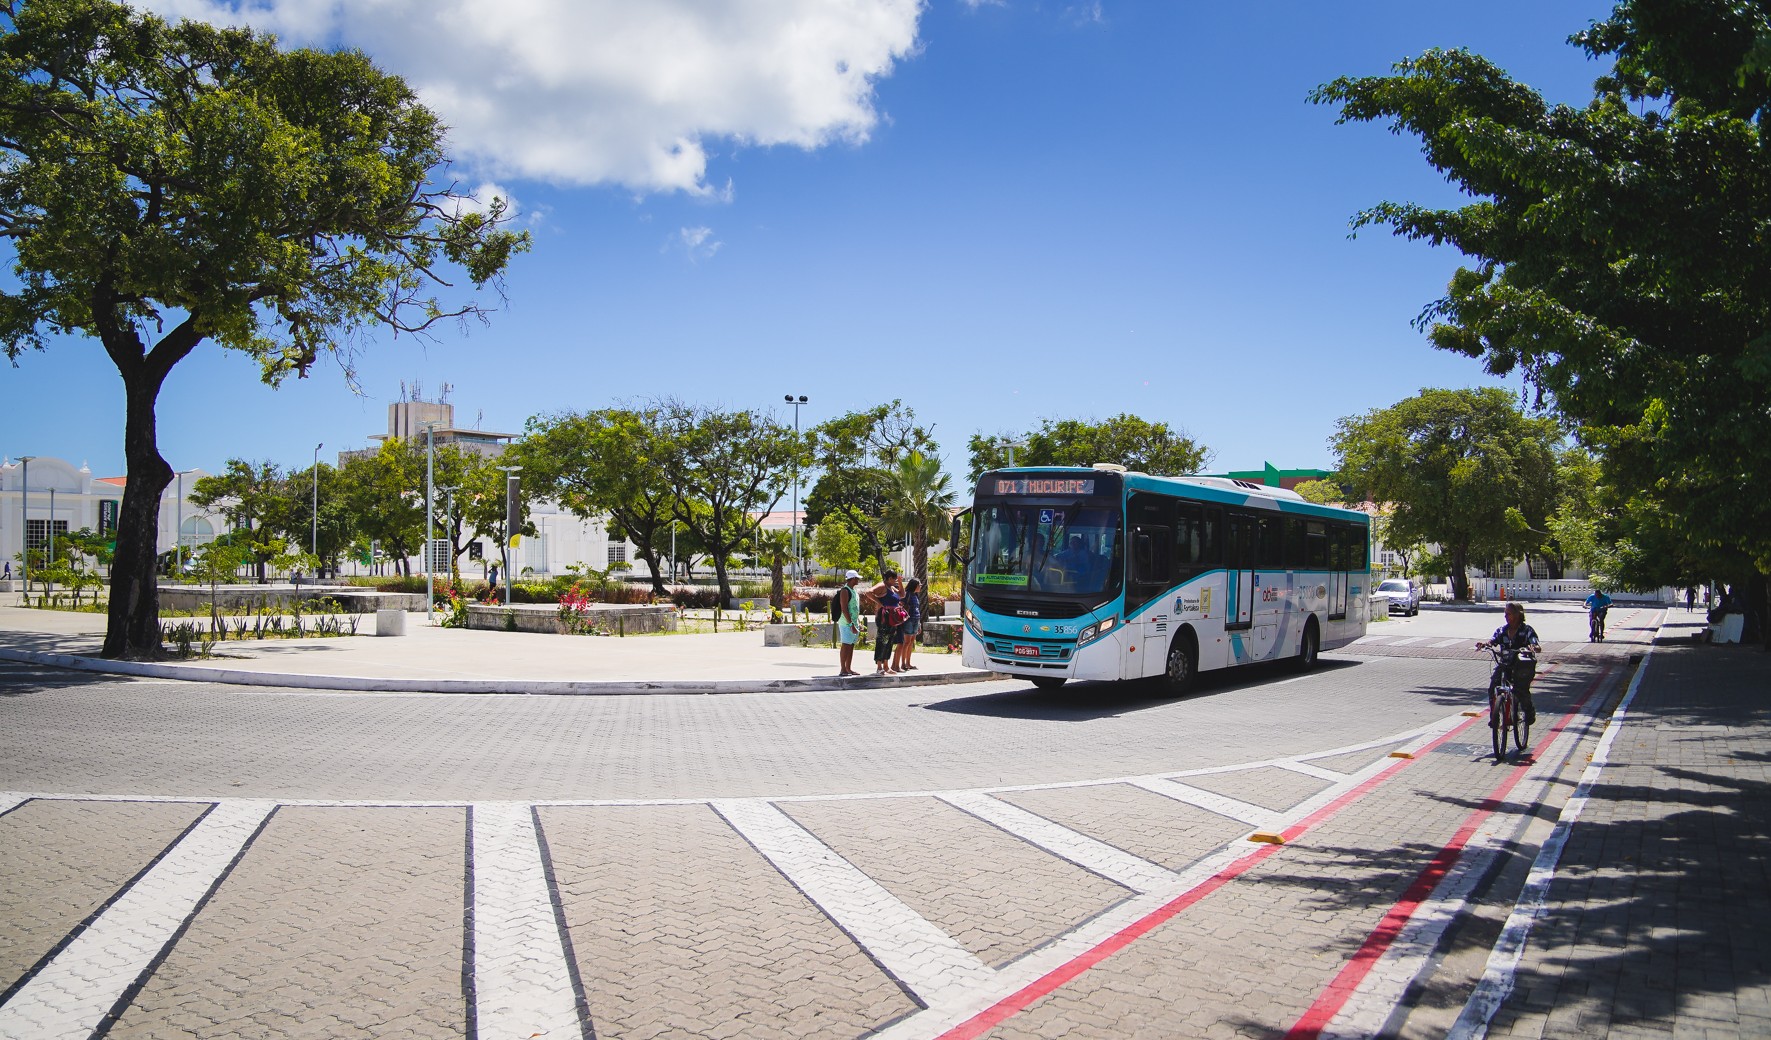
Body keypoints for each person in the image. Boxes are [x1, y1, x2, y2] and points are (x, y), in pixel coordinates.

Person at [1477, 602, 1542, 725]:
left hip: (1521, 666)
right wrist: (1485, 645)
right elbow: (1493, 640)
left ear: (1517, 615)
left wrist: (1534, 646)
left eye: (1509, 614)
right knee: (1493, 687)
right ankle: (1494, 718)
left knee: (1521, 690)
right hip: (1505, 664)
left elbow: (1534, 642)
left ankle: (1529, 711)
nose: (1506, 616)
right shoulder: (1502, 630)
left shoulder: (1526, 630)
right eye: (1505, 614)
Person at [866, 570, 904, 675]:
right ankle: (879, 666)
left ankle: (886, 665)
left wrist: (900, 583)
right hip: (884, 617)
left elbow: (902, 594)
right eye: (894, 579)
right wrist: (879, 602)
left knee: (890, 641)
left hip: (893, 618)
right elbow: (869, 592)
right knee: (882, 640)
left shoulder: (891, 588)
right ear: (889, 578)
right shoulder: (882, 586)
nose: (895, 581)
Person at [834, 570, 863, 676]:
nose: (858, 580)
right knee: (845, 645)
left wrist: (857, 622)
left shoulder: (853, 591)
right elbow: (844, 608)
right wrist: (851, 624)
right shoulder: (845, 591)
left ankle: (848, 668)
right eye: (857, 578)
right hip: (846, 623)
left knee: (851, 645)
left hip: (853, 623)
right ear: (853, 579)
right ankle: (843, 669)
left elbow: (855, 608)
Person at [894, 578, 923, 672]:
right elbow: (900, 604)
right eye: (919, 585)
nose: (920, 587)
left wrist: (919, 624)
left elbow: (917, 609)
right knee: (906, 642)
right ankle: (903, 663)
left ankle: (908, 663)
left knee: (911, 642)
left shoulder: (915, 595)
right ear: (915, 585)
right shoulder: (907, 594)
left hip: (916, 620)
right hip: (908, 620)